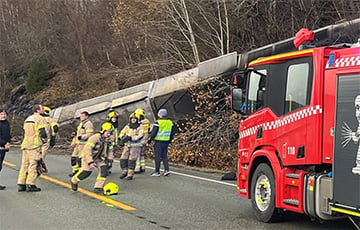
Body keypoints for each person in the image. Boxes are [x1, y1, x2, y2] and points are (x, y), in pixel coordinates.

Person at [71, 122, 113, 194]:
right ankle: (74, 181)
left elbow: (110, 151)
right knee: (86, 173)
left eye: (110, 133)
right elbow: (87, 150)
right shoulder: (95, 138)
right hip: (87, 157)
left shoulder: (108, 140)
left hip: (99, 158)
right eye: (107, 132)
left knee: (104, 170)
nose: (108, 134)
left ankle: (98, 187)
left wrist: (110, 160)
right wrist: (90, 162)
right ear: (103, 131)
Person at [17, 104, 48, 192]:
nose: (43, 110)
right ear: (38, 110)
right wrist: (45, 139)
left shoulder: (28, 118)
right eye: (42, 109)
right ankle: (31, 184)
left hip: (25, 144)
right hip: (34, 145)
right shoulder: (41, 119)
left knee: (24, 164)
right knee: (33, 165)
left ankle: (21, 184)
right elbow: (42, 132)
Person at [148, 109, 174, 177]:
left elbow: (153, 133)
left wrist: (149, 140)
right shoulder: (170, 122)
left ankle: (157, 171)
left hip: (159, 142)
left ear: (160, 115)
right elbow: (172, 133)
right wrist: (170, 140)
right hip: (166, 141)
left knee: (158, 157)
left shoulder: (158, 122)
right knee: (164, 156)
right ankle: (166, 170)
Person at [118, 113, 144, 180]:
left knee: (131, 160)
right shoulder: (127, 126)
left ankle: (130, 174)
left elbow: (140, 135)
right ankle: (124, 171)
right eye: (132, 119)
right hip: (127, 145)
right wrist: (121, 138)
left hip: (135, 146)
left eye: (135, 119)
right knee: (123, 158)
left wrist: (131, 138)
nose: (133, 120)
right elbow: (122, 132)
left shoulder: (140, 127)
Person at [69, 111, 93, 177]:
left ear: (86, 116)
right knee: (73, 158)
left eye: (83, 116)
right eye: (81, 116)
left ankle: (80, 172)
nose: (81, 117)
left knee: (80, 159)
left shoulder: (88, 124)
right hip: (78, 144)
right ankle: (75, 171)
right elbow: (79, 132)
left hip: (83, 144)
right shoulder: (81, 123)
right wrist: (75, 135)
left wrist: (82, 137)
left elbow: (90, 134)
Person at [39, 106, 59, 173]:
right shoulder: (50, 119)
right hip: (46, 139)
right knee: (43, 153)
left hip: (36, 138)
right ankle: (40, 165)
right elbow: (55, 128)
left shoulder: (36, 118)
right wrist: (53, 136)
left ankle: (32, 166)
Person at [134, 108, 150, 173]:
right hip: (145, 140)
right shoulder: (147, 122)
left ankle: (137, 168)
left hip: (139, 141)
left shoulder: (139, 123)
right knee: (142, 154)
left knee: (137, 154)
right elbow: (148, 131)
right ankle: (143, 167)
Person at [104, 110, 119, 174]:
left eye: (115, 118)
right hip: (106, 144)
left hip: (111, 144)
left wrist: (115, 142)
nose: (114, 119)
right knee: (105, 156)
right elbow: (106, 134)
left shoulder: (114, 126)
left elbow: (115, 135)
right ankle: (104, 169)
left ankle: (107, 169)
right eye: (113, 118)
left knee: (110, 157)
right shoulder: (108, 125)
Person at [0, 109, 11, 190]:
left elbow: (7, 134)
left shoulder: (6, 123)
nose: (3, 116)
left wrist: (8, 142)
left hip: (4, 147)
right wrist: (4, 143)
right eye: (1, 114)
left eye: (4, 114)